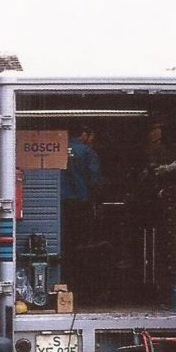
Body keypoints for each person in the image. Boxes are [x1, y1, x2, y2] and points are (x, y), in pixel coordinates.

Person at [61, 125, 101, 298]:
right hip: (80, 202)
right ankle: (81, 285)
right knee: (82, 245)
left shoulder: (60, 147)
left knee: (64, 243)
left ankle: (63, 279)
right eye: (92, 137)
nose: (92, 141)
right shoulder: (87, 152)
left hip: (60, 204)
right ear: (84, 135)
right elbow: (94, 178)